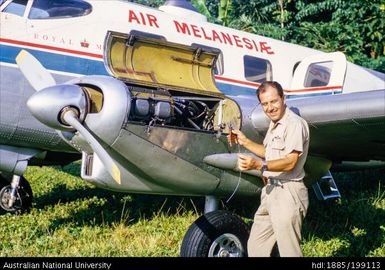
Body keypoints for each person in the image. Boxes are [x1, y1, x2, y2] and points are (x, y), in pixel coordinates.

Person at [229, 81, 310, 257]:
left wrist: (258, 165)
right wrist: (245, 141)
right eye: (265, 104)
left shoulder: (294, 124)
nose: (270, 108)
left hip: (288, 191)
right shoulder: (275, 124)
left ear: (283, 98)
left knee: (290, 252)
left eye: (274, 101)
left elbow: (290, 162)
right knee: (257, 247)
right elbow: (269, 153)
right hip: (270, 191)